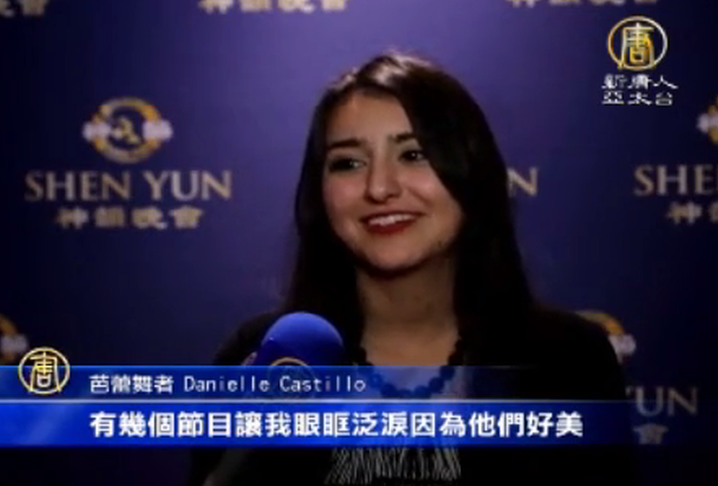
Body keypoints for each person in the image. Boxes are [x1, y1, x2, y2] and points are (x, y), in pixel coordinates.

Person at [188, 52, 634, 486]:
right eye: (348, 163)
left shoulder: (569, 359)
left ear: (470, 170)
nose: (379, 187)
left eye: (414, 154)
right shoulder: (263, 357)